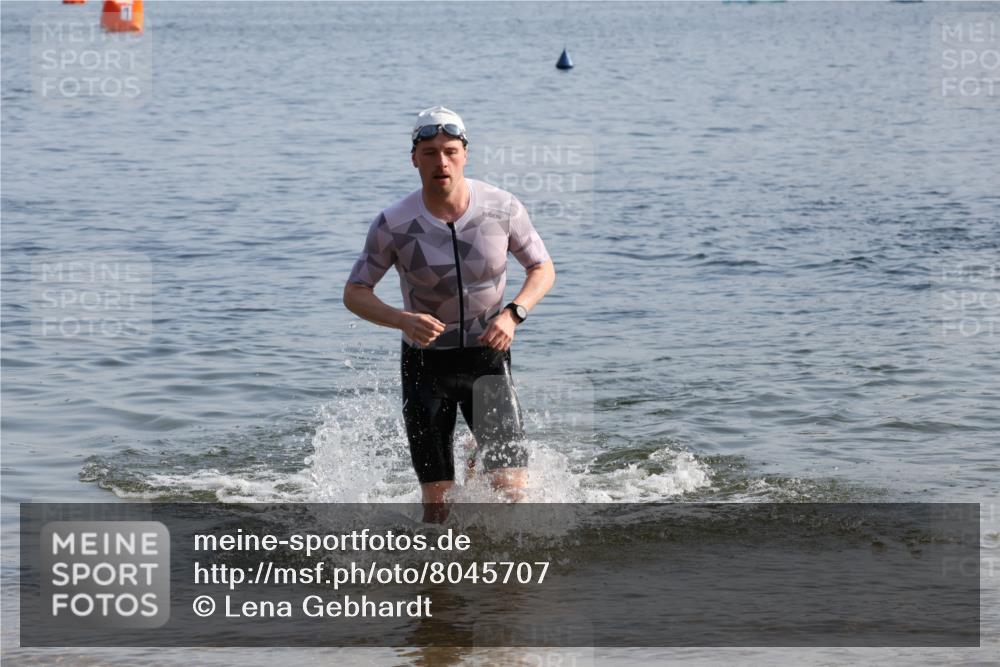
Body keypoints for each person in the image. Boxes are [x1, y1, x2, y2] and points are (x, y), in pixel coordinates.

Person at [343, 106, 556, 521]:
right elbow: (354, 293)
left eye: (450, 151)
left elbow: (543, 268)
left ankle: (504, 567)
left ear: (465, 154)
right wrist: (401, 319)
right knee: (437, 506)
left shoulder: (502, 208)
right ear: (414, 159)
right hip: (426, 366)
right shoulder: (393, 223)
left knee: (512, 492)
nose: (441, 161)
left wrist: (514, 313)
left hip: (487, 360)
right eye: (430, 152)